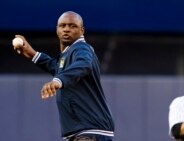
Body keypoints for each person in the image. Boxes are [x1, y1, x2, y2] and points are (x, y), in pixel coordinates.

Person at [12, 11, 115, 141]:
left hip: (89, 130)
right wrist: (32, 53)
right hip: (80, 131)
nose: (66, 29)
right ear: (57, 29)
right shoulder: (68, 54)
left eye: (72, 26)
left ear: (82, 30)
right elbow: (56, 67)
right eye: (63, 25)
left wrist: (58, 81)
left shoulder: (81, 49)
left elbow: (84, 64)